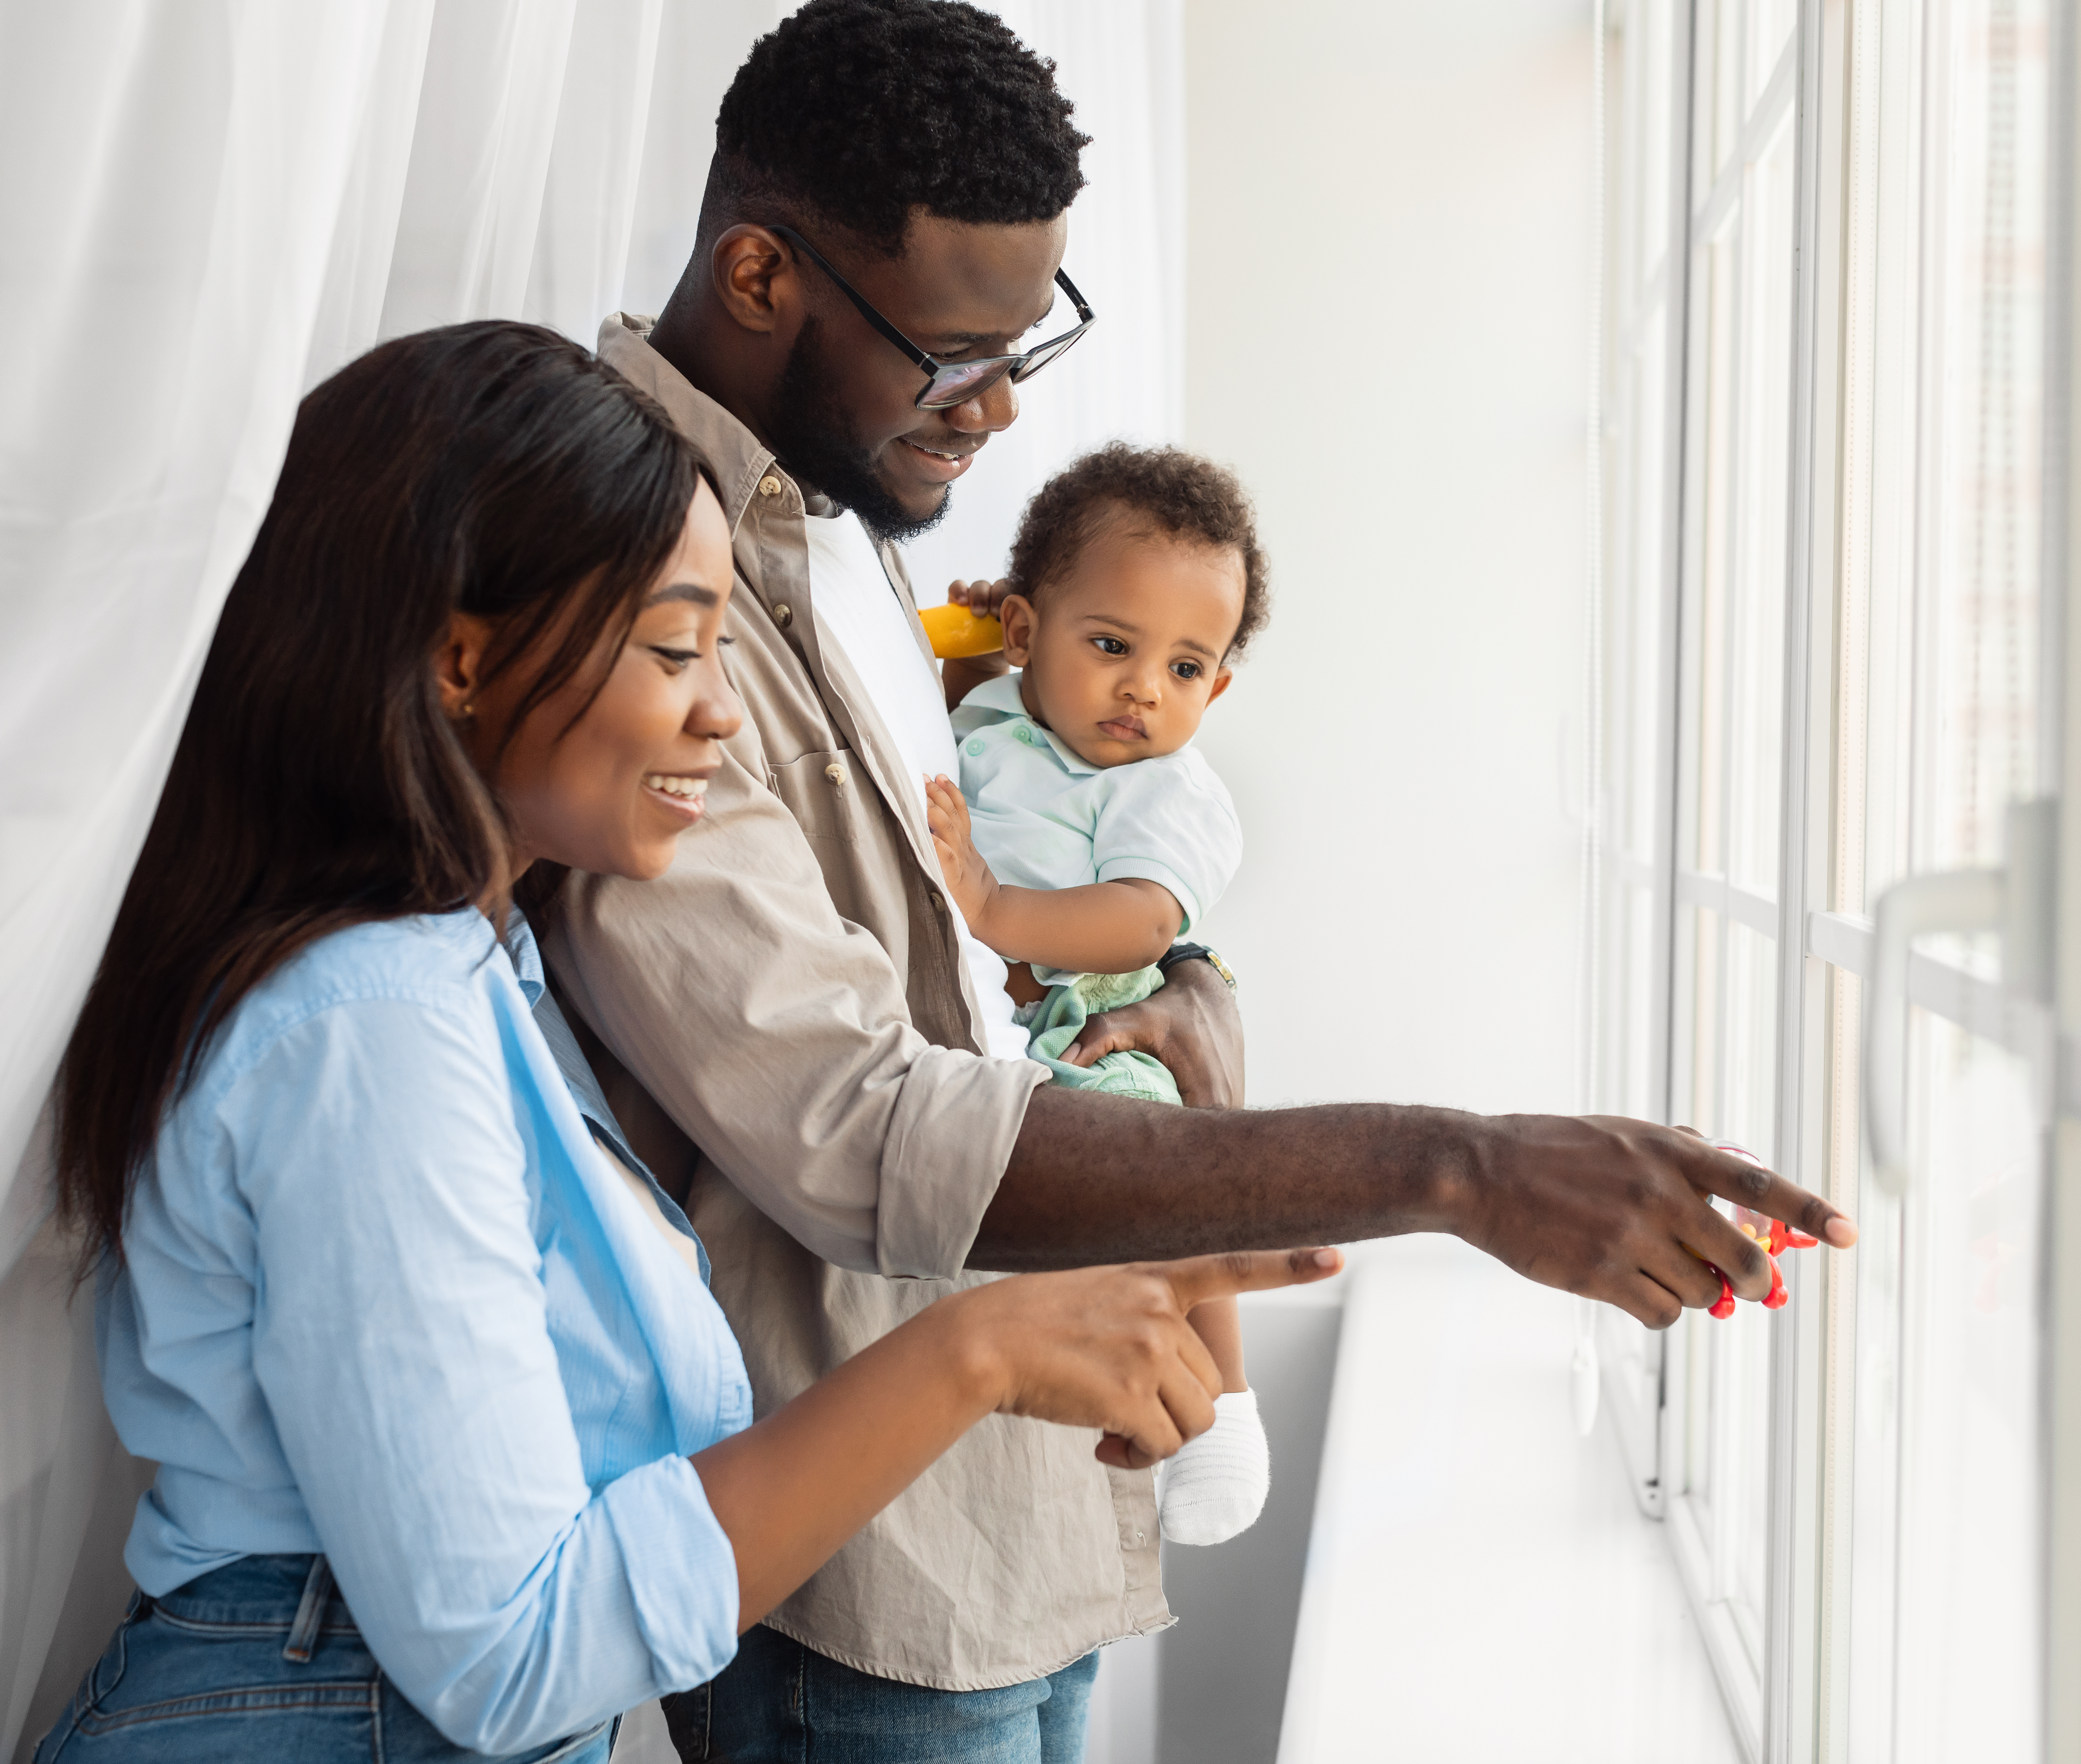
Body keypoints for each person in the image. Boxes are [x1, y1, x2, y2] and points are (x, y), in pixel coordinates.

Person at [547, 3, 1854, 1757]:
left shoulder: (849, 531)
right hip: (865, 1577)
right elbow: (856, 1123)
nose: (1003, 409)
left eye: (1034, 342)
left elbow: (993, 958)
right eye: (954, 353)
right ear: (765, 277)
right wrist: (1454, 1166)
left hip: (1022, 1513)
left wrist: (1185, 993)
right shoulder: (623, 561)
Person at [33, 321, 1332, 1764]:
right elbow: (511, 1656)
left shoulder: (476, 973)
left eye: (724, 644)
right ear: (462, 661)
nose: (723, 712)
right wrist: (976, 1352)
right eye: (674, 648)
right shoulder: (371, 1035)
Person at [926, 444, 1273, 1548]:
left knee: (1173, 1172)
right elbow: (944, 724)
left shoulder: (1164, 786)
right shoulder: (1004, 710)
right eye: (1112, 645)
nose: (1142, 690)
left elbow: (1143, 921)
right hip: (1007, 1024)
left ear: (1215, 688)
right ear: (1028, 636)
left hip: (1106, 1011)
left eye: (1184, 669)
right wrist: (972, 647)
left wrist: (990, 905)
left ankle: (1226, 1400)